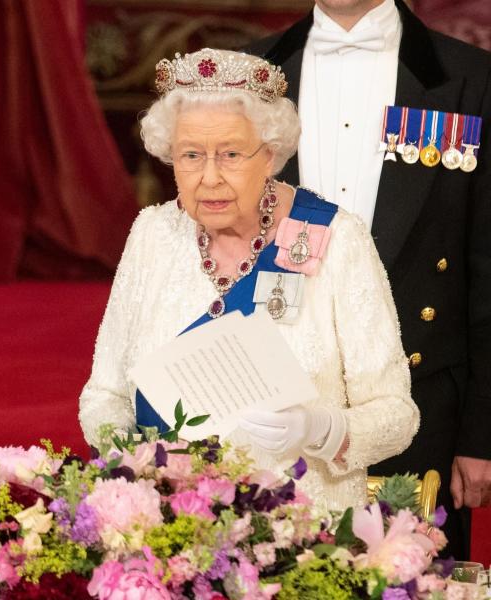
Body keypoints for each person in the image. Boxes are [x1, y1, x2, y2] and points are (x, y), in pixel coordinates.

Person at [78, 48, 419, 511]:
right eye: (191, 155)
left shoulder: (337, 238)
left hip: (303, 536)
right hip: (173, 530)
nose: (210, 178)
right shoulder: (152, 235)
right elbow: (105, 395)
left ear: (271, 156)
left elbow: (396, 415)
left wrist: (321, 428)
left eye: (232, 154)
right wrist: (130, 459)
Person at [246, 0, 491, 557]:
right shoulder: (251, 71)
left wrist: (482, 432)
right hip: (271, 408)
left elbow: (487, 267)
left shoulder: (471, 80)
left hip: (419, 405)